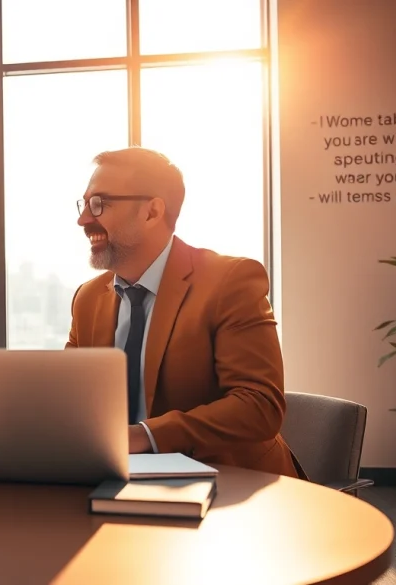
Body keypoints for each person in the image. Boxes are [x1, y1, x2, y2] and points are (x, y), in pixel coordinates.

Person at [66, 147, 304, 478]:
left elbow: (259, 406)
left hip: (229, 482)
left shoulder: (230, 282)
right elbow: (72, 398)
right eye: (84, 204)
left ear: (151, 212)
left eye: (99, 204)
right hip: (116, 477)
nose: (83, 219)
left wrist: (143, 436)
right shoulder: (88, 298)